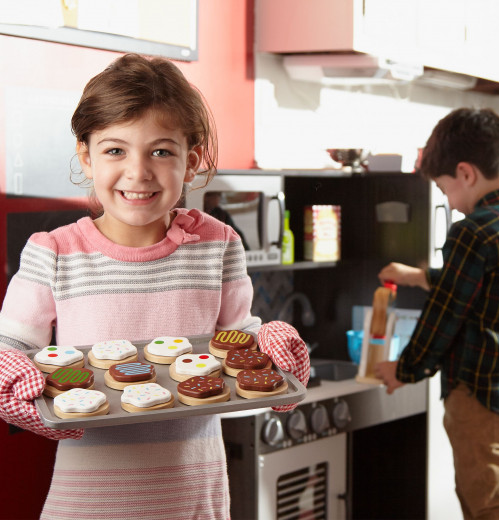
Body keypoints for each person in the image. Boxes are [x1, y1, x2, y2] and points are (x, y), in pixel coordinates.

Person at [0, 53, 309, 519]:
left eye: (161, 151)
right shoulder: (55, 252)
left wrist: (273, 343)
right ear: (86, 156)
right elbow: (9, 348)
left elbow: (239, 345)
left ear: (192, 160)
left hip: (193, 501)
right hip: (87, 505)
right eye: (115, 150)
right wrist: (11, 384)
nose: (139, 172)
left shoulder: (216, 244)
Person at [375, 107, 499, 520]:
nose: (451, 205)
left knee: (486, 504)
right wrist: (421, 276)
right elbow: (490, 288)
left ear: (466, 173)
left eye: (444, 189)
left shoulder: (472, 231)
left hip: (479, 393)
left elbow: (443, 319)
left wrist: (404, 369)